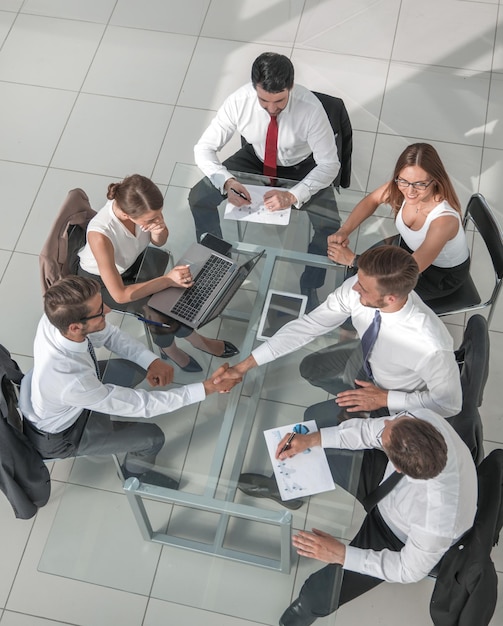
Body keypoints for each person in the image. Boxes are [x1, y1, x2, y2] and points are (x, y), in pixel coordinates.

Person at [19, 276, 241, 489]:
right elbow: (142, 405)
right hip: (64, 434)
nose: (108, 310)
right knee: (152, 438)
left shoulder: (55, 321)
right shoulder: (71, 380)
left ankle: (111, 416)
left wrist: (151, 361)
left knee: (134, 369)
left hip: (71, 396)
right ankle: (134, 474)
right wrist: (207, 388)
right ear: (75, 327)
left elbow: (110, 336)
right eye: (100, 312)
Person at [274, 409, 477, 625]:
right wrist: (313, 439)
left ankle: (307, 608)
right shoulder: (423, 419)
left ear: (397, 466)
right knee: (316, 452)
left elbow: (407, 570)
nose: (387, 421)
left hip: (396, 535)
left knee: (322, 593)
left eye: (388, 426)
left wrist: (341, 554)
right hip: (386, 486)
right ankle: (283, 487)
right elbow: (372, 431)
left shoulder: (437, 523)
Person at [214, 246, 462, 422]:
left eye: (363, 288)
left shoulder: (430, 345)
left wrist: (385, 399)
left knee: (316, 418)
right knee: (310, 367)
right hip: (364, 359)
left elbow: (449, 404)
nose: (354, 288)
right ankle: (351, 398)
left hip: (395, 393)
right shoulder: (360, 287)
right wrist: (242, 367)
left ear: (390, 298)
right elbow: (309, 326)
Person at [189, 51, 342, 310]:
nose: (272, 109)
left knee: (330, 225)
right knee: (198, 197)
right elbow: (203, 149)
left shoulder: (311, 109)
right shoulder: (239, 101)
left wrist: (293, 195)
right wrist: (226, 182)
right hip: (256, 158)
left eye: (280, 101)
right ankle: (217, 262)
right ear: (254, 87)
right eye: (263, 101)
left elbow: (330, 164)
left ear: (291, 87)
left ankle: (311, 283)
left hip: (300, 167)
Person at [78, 174, 239, 373]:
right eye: (151, 219)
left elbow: (159, 242)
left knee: (175, 296)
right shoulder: (100, 235)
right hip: (102, 283)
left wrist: (159, 227)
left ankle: (186, 339)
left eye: (159, 215)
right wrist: (167, 280)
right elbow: (120, 294)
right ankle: (180, 346)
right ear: (128, 216)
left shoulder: (137, 207)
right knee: (158, 310)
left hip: (132, 260)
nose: (156, 219)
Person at [327, 143, 470, 302]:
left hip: (436, 276)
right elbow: (372, 200)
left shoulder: (443, 221)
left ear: (435, 181)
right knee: (357, 278)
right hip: (406, 250)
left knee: (366, 294)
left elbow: (409, 271)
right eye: (403, 181)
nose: (410, 191)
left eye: (420, 184)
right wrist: (344, 230)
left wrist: (353, 260)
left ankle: (352, 326)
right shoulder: (401, 187)